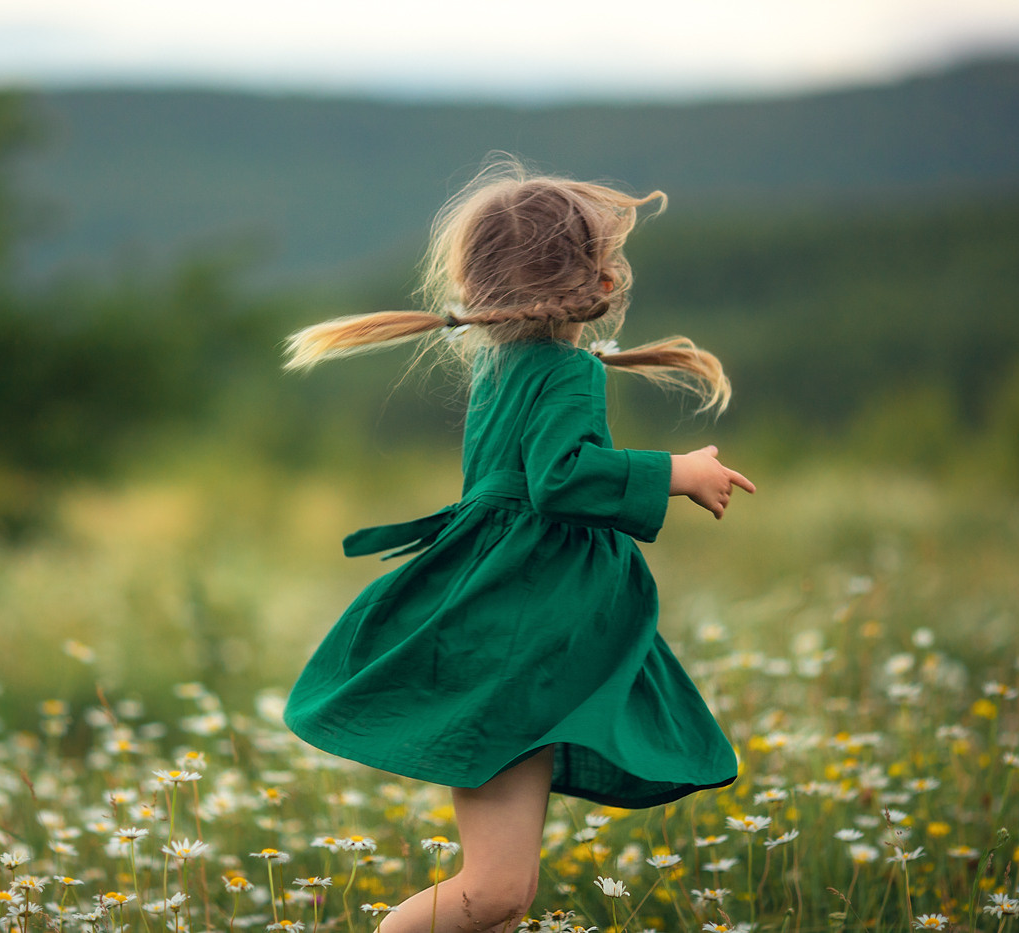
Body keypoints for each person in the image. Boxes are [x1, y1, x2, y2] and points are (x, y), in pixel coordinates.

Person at [280, 158, 755, 933]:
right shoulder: (567, 371)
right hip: (517, 637)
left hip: (508, 624)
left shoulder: (505, 366)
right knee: (497, 889)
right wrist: (677, 469)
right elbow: (559, 478)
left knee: (505, 895)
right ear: (603, 285)